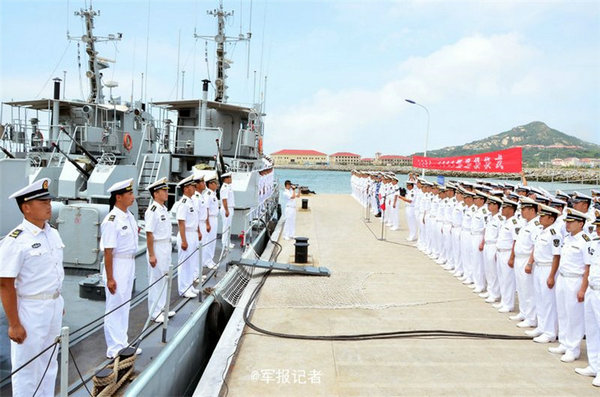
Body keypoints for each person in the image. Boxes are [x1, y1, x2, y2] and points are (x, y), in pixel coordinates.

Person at [0, 178, 64, 397]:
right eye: (42, 202)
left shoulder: (52, 233)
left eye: (49, 201)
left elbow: (53, 270)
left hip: (53, 305)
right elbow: (5, 283)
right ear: (26, 208)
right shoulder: (16, 240)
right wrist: (14, 324)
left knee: (49, 362)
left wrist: (58, 300)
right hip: (31, 309)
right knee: (27, 368)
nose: (49, 205)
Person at [100, 178, 141, 359]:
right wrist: (110, 278)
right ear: (118, 197)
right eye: (129, 193)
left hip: (128, 263)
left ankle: (122, 343)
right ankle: (113, 347)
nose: (133, 196)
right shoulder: (112, 220)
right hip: (116, 265)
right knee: (115, 306)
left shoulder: (129, 216)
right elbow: (108, 252)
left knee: (124, 304)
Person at [548, 208, 590, 363]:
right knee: (563, 312)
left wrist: (583, 288)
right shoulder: (568, 238)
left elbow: (588, 267)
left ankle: (574, 348)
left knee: (574, 315)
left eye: (571, 222)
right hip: (563, 278)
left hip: (575, 280)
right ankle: (564, 343)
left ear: (580, 223)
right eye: (567, 221)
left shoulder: (585, 241)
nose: (568, 224)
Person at [528, 204, 562, 343]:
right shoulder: (543, 231)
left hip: (548, 268)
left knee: (548, 301)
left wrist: (551, 275)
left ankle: (550, 332)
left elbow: (556, 256)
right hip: (539, 266)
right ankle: (542, 327)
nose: (540, 219)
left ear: (551, 219)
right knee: (540, 298)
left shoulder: (555, 234)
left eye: (543, 216)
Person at [144, 177, 175, 323]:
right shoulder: (153, 210)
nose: (166, 193)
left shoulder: (163, 209)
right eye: (163, 191)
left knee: (164, 278)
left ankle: (162, 308)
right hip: (157, 247)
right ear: (155, 194)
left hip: (165, 246)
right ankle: (155, 312)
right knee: (156, 280)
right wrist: (151, 254)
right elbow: (149, 233)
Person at [509, 197, 543, 328]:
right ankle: (523, 312)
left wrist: (530, 262)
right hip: (519, 258)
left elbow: (535, 246)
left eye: (524, 209)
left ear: (531, 210)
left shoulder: (536, 225)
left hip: (527, 259)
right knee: (521, 288)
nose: (522, 212)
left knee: (528, 290)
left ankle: (531, 318)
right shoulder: (525, 223)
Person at [575, 212, 600, 386]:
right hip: (592, 289)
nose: (597, 230)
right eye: (597, 226)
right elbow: (588, 268)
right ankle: (594, 365)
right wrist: (583, 288)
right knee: (592, 329)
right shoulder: (594, 244)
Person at [174, 175, 201, 298]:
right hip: (187, 235)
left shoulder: (191, 201)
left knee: (191, 261)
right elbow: (181, 222)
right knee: (184, 263)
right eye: (192, 186)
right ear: (185, 189)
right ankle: (183, 289)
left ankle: (189, 286)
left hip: (193, 233)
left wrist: (198, 232)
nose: (194, 188)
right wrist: (184, 240)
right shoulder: (183, 203)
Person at [495, 197, 521, 313]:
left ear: (511, 209)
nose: (502, 209)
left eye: (504, 207)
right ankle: (504, 301)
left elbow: (515, 241)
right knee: (502, 278)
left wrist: (512, 257)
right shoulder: (506, 221)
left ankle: (509, 304)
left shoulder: (514, 223)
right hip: (501, 252)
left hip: (507, 253)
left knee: (508, 280)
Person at [193, 174, 211, 277]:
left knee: (202, 249)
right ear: (197, 185)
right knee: (197, 251)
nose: (204, 184)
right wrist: (198, 230)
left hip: (203, 224)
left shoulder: (201, 196)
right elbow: (196, 215)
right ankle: (195, 275)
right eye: (202, 182)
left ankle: (198, 273)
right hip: (199, 224)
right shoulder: (196, 198)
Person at [204, 174, 220, 269]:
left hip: (214, 218)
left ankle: (210, 259)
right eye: (215, 183)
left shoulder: (213, 194)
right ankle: (207, 261)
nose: (217, 185)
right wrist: (207, 223)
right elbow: (206, 209)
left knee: (212, 240)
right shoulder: (208, 195)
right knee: (209, 240)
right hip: (210, 218)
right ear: (210, 184)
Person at [219, 172, 235, 249]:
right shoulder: (224, 188)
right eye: (230, 177)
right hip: (227, 208)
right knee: (226, 227)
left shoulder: (228, 186)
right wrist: (226, 210)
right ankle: (225, 243)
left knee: (229, 226)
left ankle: (228, 242)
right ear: (226, 179)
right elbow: (224, 200)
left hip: (229, 208)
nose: (231, 179)